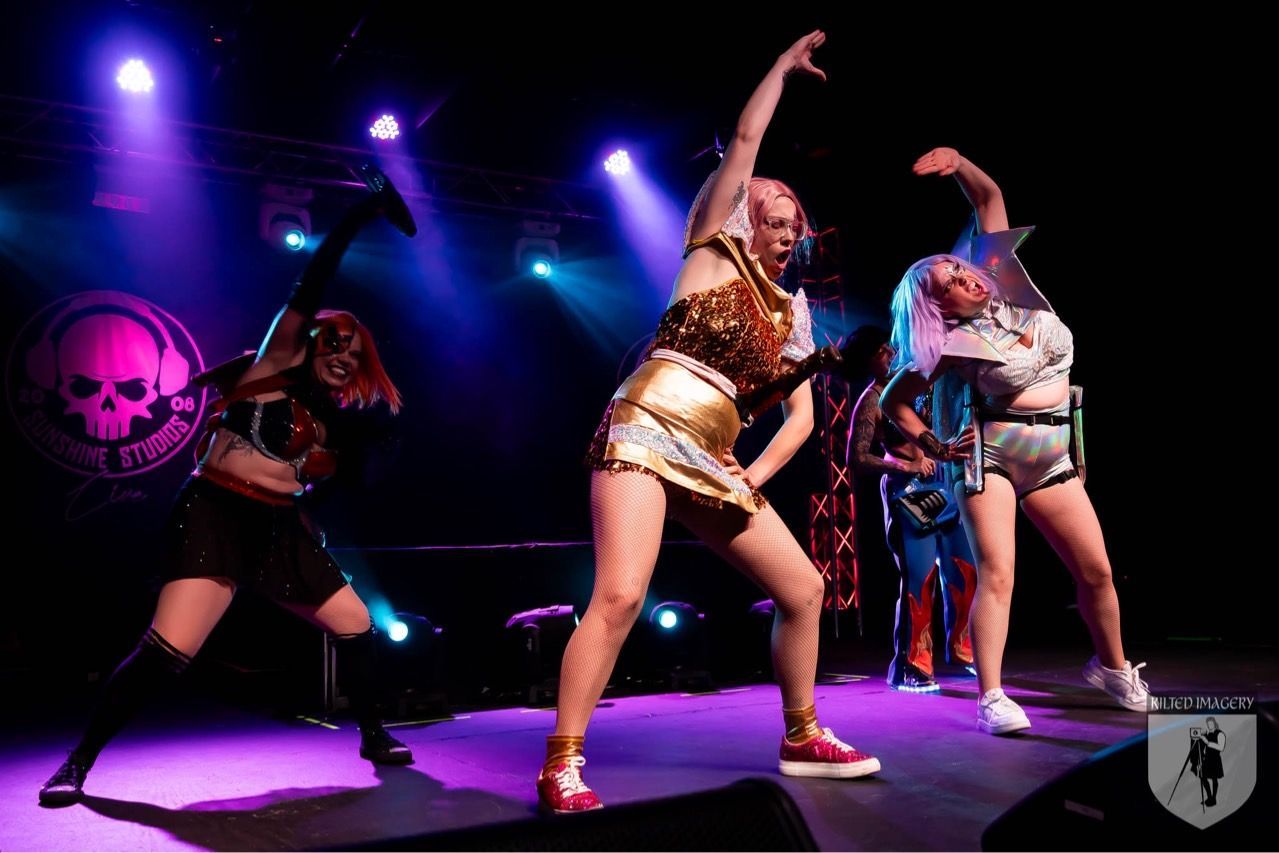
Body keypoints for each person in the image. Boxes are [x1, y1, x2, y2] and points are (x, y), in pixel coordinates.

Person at [538, 30, 880, 815]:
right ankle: (561, 762)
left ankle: (801, 733)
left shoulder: (791, 314)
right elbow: (750, 137)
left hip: (712, 447)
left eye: (798, 222)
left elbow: (794, 415)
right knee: (621, 594)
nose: (789, 229)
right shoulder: (710, 252)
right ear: (746, 214)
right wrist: (780, 71)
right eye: (776, 214)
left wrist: (752, 472)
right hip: (645, 424)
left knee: (804, 587)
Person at [39, 165, 418, 806]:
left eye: (355, 353)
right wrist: (360, 213)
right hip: (215, 514)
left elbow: (335, 478)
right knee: (169, 651)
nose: (344, 354)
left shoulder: (333, 420)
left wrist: (347, 467)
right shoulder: (272, 363)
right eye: (334, 341)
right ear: (310, 340)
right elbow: (311, 283)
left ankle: (373, 733)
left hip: (279, 529)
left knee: (357, 626)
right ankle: (76, 764)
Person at [881, 147, 1150, 735]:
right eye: (949, 282)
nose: (965, 276)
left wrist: (959, 162)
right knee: (997, 572)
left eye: (960, 267)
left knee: (1097, 571)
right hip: (992, 456)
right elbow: (891, 401)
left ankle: (1113, 667)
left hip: (1052, 450)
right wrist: (931, 442)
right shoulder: (949, 345)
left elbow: (988, 199)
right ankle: (993, 697)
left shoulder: (1008, 281)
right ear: (938, 307)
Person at [844, 325, 976, 693]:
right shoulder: (871, 399)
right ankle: (912, 666)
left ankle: (963, 651)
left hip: (945, 488)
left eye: (889, 346)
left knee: (965, 572)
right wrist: (905, 466)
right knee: (919, 581)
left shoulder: (918, 385)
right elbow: (856, 458)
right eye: (879, 351)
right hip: (908, 493)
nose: (888, 353)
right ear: (869, 361)